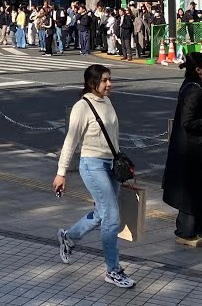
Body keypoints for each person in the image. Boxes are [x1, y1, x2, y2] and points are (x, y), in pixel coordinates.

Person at [53, 64, 136, 290]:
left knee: (102, 213)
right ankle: (113, 270)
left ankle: (69, 237)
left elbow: (113, 135)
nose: (110, 84)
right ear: (93, 83)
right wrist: (61, 173)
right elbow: (70, 141)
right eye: (105, 80)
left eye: (110, 79)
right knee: (112, 216)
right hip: (92, 165)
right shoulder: (82, 107)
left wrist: (121, 162)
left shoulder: (107, 101)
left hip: (110, 164)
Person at [162, 52, 202, 247]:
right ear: (199, 70)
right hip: (187, 148)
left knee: (200, 185)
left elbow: (196, 108)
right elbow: (188, 121)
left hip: (195, 145)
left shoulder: (196, 86)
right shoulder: (194, 90)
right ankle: (186, 232)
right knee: (189, 188)